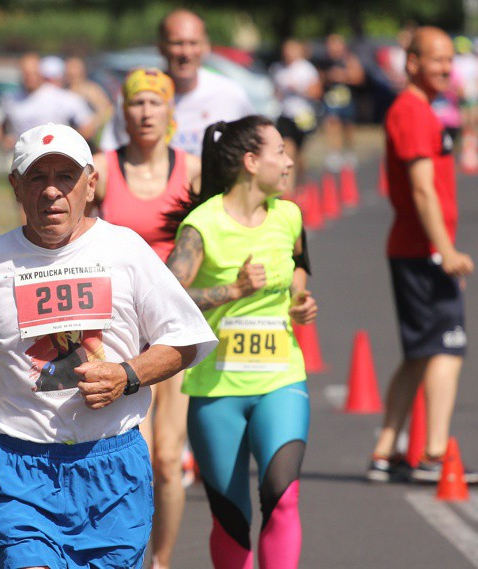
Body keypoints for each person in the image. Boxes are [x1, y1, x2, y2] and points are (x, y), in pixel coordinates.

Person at [0, 122, 217, 569]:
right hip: (20, 471)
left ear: (91, 184)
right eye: (37, 177)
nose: (51, 191)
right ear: (15, 186)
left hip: (112, 469)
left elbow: (187, 340)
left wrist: (127, 375)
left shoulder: (126, 250)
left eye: (66, 176)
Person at [166, 116, 317, 569]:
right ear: (251, 162)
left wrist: (299, 301)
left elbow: (299, 265)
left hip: (281, 380)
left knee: (282, 497)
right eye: (280, 152)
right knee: (231, 517)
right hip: (217, 391)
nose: (289, 162)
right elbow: (166, 297)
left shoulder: (289, 215)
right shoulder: (201, 225)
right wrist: (233, 290)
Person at [366, 27, 478, 485]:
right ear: (412, 62)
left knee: (419, 353)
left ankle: (385, 452)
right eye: (436, 59)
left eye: (449, 60)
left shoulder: (421, 109)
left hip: (418, 249)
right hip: (422, 251)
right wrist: (446, 251)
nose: (445, 68)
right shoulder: (413, 111)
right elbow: (421, 189)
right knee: (446, 349)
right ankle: (434, 455)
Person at [92, 68, 200, 569]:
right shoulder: (102, 169)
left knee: (167, 459)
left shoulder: (192, 170)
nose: (146, 112)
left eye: (156, 102)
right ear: (124, 110)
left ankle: (162, 560)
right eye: (137, 102)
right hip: (116, 328)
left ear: (170, 110)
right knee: (129, 454)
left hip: (171, 328)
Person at [100, 9, 254, 156]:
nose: (186, 53)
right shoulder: (138, 96)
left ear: (206, 46)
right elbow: (110, 154)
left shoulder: (230, 94)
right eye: (177, 43)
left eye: (193, 43)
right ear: (161, 47)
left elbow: (253, 147)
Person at [2, 53, 95, 143]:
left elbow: (87, 126)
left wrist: (67, 144)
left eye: (33, 73)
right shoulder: (10, 99)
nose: (29, 77)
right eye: (26, 73)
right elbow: (2, 127)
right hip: (20, 152)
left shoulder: (62, 97)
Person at [270, 39, 322, 192]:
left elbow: (317, 92)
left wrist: (299, 89)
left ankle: (301, 182)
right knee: (288, 149)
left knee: (300, 154)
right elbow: (276, 92)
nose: (288, 54)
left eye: (292, 50)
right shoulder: (277, 68)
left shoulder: (306, 69)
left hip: (303, 116)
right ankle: (288, 190)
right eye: (286, 50)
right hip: (285, 114)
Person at [319, 33, 365, 172]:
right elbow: (318, 78)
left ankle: (349, 151)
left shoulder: (349, 59)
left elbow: (359, 78)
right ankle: (334, 153)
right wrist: (328, 77)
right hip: (331, 99)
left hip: (347, 99)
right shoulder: (324, 61)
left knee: (348, 126)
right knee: (331, 123)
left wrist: (342, 76)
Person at [65, 56, 112, 142]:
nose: (72, 71)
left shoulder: (91, 90)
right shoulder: (63, 91)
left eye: (75, 68)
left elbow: (107, 110)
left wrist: (92, 126)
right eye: (69, 68)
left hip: (90, 139)